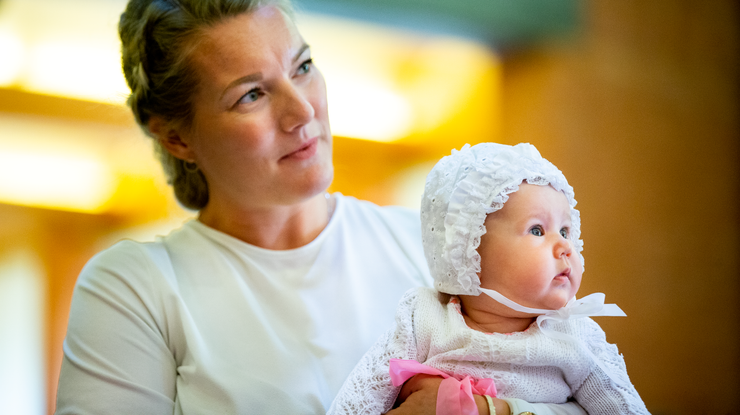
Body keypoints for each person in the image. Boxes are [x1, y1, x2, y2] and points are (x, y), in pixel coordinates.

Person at [55, 0, 588, 413]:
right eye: (251, 95)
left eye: (303, 66)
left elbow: (585, 383)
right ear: (176, 138)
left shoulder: (433, 251)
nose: (302, 109)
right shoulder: (137, 288)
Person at [329, 143, 649, 415]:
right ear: (468, 250)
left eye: (566, 231)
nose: (566, 246)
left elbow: (624, 407)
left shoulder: (575, 335)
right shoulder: (425, 316)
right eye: (537, 229)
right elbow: (362, 394)